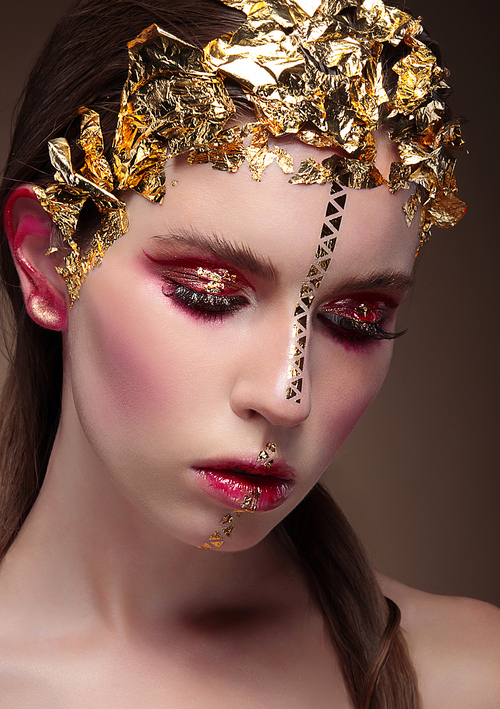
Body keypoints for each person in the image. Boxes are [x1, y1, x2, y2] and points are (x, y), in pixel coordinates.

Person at [0, 0, 498, 707]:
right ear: (49, 262)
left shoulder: (473, 676)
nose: (286, 394)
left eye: (356, 320)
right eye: (208, 292)